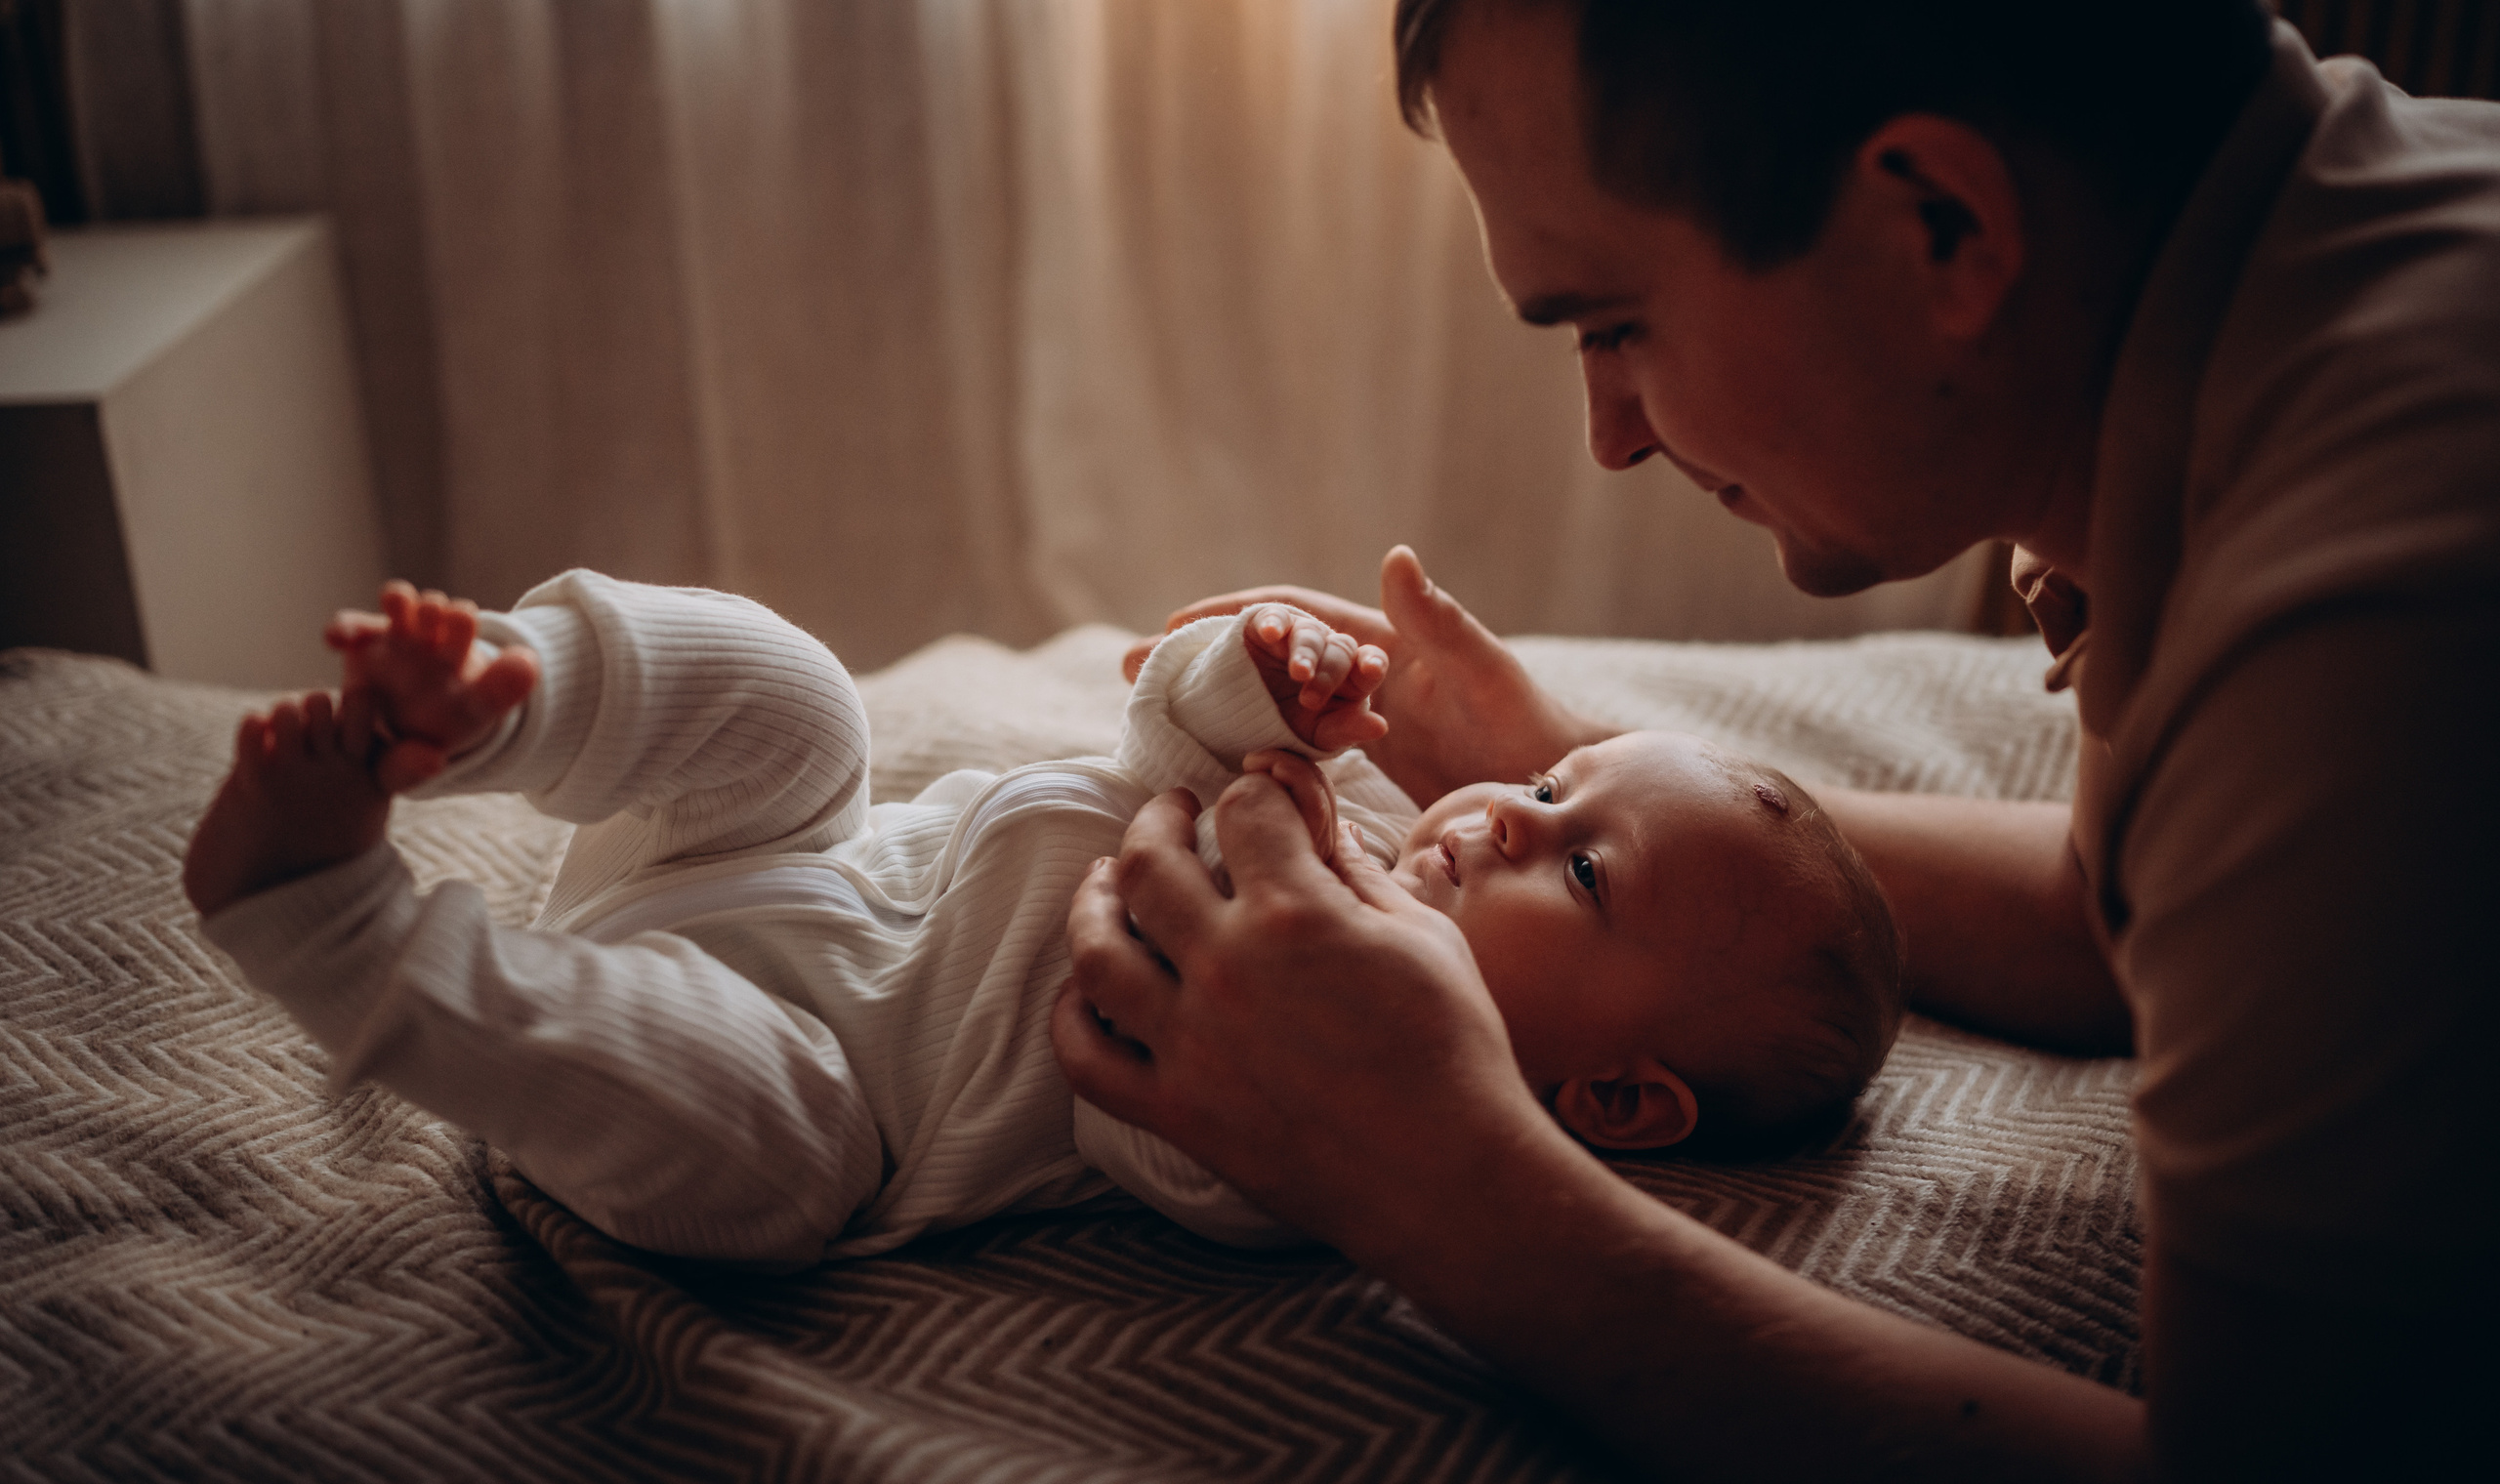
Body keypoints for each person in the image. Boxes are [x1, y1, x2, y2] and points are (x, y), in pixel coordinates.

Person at [1057, 0, 2498, 1478]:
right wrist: (1550, 761)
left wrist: (1427, 1170)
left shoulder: (2377, 600)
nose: (1608, 434)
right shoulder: (2299, 280)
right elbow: (2125, 919)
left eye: (1614, 324)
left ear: (1939, 227)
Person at [182, 570, 1898, 1266]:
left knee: (783, 1157)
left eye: (1580, 872)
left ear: (1610, 1099)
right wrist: (1261, 680)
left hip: (805, 1063)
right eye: (1556, 787)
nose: (1508, 819)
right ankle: (507, 696)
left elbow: (1160, 1136)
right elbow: (1158, 736)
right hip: (796, 866)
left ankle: (337, 923)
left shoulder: (1346, 1132)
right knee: (800, 707)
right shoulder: (1373, 827)